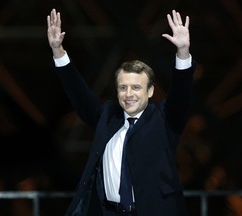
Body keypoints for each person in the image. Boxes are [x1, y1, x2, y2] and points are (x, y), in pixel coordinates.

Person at [47, 8, 195, 216]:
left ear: (150, 91)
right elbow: (80, 97)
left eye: (136, 87)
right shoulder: (108, 117)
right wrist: (58, 51)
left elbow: (181, 96)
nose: (129, 94)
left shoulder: (164, 120)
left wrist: (183, 53)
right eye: (123, 87)